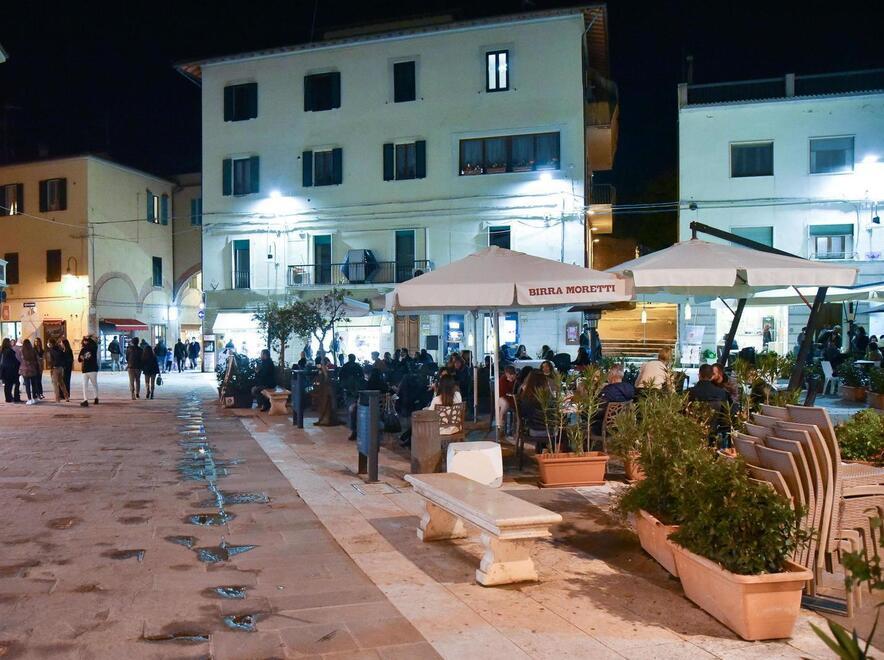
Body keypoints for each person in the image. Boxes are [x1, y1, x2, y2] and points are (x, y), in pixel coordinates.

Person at [592, 364, 635, 435]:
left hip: (607, 428)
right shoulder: (629, 387)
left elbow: (599, 410)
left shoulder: (608, 390)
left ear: (612, 375)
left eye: (609, 373)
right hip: (623, 425)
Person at [78, 336, 99, 406]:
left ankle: (93, 398)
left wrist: (90, 337)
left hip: (90, 369)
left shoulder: (92, 348)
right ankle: (87, 399)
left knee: (91, 384)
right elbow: (79, 359)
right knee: (88, 385)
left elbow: (80, 359)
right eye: (84, 340)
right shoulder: (87, 349)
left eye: (86, 341)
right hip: (88, 369)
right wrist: (81, 358)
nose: (85, 342)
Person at [497, 365, 517, 435]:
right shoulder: (503, 379)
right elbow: (503, 393)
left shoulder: (516, 379)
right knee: (505, 405)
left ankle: (514, 428)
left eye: (512, 374)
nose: (511, 376)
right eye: (509, 374)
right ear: (506, 374)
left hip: (512, 398)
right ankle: (501, 425)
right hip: (502, 397)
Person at [19, 339, 40, 405]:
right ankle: (35, 398)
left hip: (25, 370)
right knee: (34, 384)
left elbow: (20, 359)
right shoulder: (33, 350)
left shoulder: (22, 350)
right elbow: (37, 359)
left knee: (27, 385)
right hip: (32, 369)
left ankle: (29, 399)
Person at [1, 338, 22, 403]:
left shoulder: (2, 351)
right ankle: (16, 397)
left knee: (7, 385)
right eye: (9, 342)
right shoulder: (9, 351)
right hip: (11, 370)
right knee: (16, 383)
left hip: (4, 370)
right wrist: (19, 364)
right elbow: (14, 360)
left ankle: (8, 398)